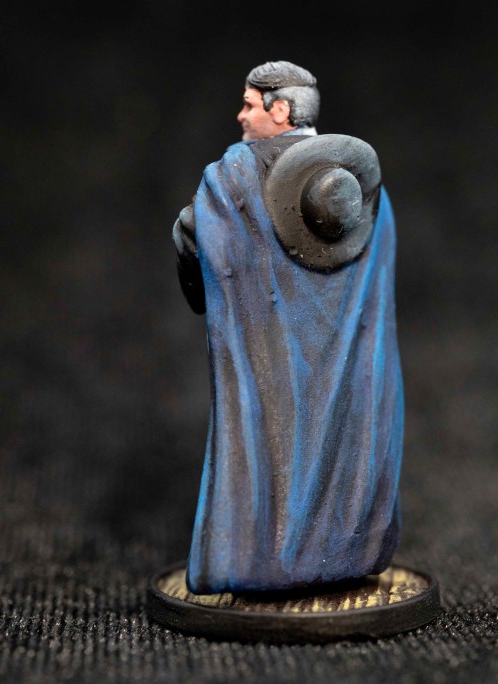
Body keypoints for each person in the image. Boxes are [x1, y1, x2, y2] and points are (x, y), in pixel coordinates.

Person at [173, 61, 405, 595]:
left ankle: (259, 561)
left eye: (249, 104)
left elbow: (199, 237)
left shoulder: (236, 175)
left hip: (268, 360)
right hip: (344, 364)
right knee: (343, 436)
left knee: (270, 445)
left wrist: (187, 239)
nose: (241, 115)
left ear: (280, 110)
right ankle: (349, 550)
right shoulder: (368, 192)